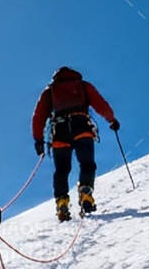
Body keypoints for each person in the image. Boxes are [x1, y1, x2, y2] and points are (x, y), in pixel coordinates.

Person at [31, 66, 119, 222]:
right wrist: (111, 120)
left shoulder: (50, 91)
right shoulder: (83, 86)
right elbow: (100, 103)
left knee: (62, 170)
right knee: (87, 164)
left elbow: (39, 116)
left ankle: (62, 202)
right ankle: (86, 193)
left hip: (59, 133)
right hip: (82, 129)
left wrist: (38, 140)